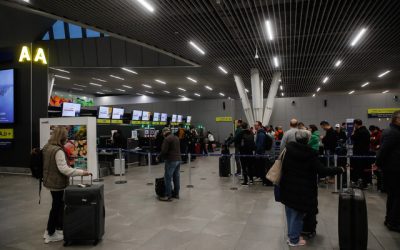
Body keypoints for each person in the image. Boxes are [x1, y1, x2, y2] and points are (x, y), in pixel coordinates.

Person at [279, 130, 345, 246]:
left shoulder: (287, 150)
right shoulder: (310, 154)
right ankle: (294, 239)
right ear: (308, 140)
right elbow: (322, 171)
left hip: (287, 186)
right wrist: (339, 169)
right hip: (302, 190)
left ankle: (291, 235)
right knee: (298, 215)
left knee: (289, 212)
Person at [42, 126, 91, 243]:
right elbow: (65, 169)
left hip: (50, 180)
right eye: (66, 136)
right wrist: (82, 172)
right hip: (57, 182)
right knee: (56, 207)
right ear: (62, 137)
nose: (67, 138)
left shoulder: (47, 147)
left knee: (58, 205)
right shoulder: (58, 150)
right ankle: (50, 232)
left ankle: (56, 228)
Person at [376, 111, 400, 232]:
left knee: (393, 196)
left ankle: (389, 219)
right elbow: (383, 151)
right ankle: (394, 222)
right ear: (397, 119)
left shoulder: (390, 131)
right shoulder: (394, 133)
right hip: (394, 169)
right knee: (396, 196)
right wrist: (378, 164)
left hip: (391, 168)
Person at [158, 127, 181, 201]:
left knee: (167, 178)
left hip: (171, 160)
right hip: (178, 160)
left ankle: (168, 195)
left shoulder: (167, 139)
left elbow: (164, 151)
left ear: (164, 132)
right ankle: (176, 194)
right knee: (176, 177)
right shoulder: (176, 138)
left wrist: (158, 157)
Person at [351, 119, 371, 188]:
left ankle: (360, 183)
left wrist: (353, 131)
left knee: (358, 168)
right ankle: (365, 183)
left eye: (354, 124)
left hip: (358, 153)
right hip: (366, 152)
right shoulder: (366, 131)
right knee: (365, 168)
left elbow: (352, 137)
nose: (354, 126)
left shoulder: (358, 131)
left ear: (356, 124)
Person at [254, 121, 272, 185]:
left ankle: (264, 180)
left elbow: (260, 144)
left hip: (261, 153)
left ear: (259, 126)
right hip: (261, 152)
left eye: (256, 125)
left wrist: (257, 152)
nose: (254, 126)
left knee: (262, 167)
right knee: (261, 166)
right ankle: (263, 179)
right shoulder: (260, 132)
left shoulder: (261, 134)